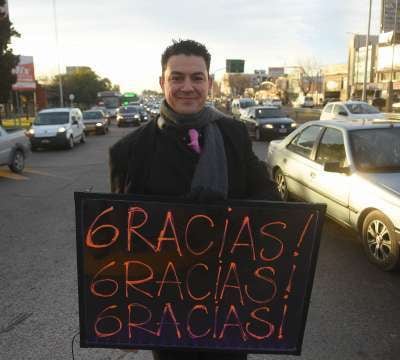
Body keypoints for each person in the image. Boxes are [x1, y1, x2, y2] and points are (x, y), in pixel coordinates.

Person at [109, 39, 279, 360]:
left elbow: (269, 197)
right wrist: (124, 318)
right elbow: (121, 240)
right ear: (162, 82)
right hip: (167, 306)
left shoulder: (234, 134)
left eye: (197, 78)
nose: (187, 87)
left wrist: (231, 214)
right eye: (177, 77)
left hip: (228, 300)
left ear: (209, 83)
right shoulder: (130, 151)